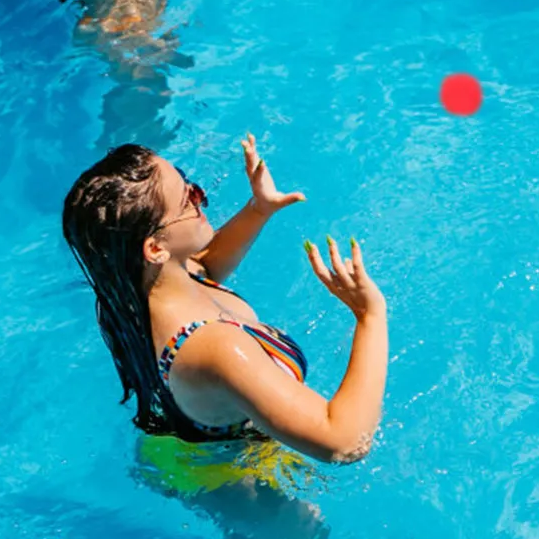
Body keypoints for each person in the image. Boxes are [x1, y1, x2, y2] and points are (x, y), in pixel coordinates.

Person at [63, 135, 388, 469]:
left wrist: (258, 209)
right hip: (228, 476)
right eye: (187, 199)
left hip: (183, 443)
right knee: (310, 523)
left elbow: (206, 264)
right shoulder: (216, 349)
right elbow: (344, 443)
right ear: (156, 249)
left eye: (190, 184)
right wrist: (370, 315)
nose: (200, 198)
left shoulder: (148, 283)